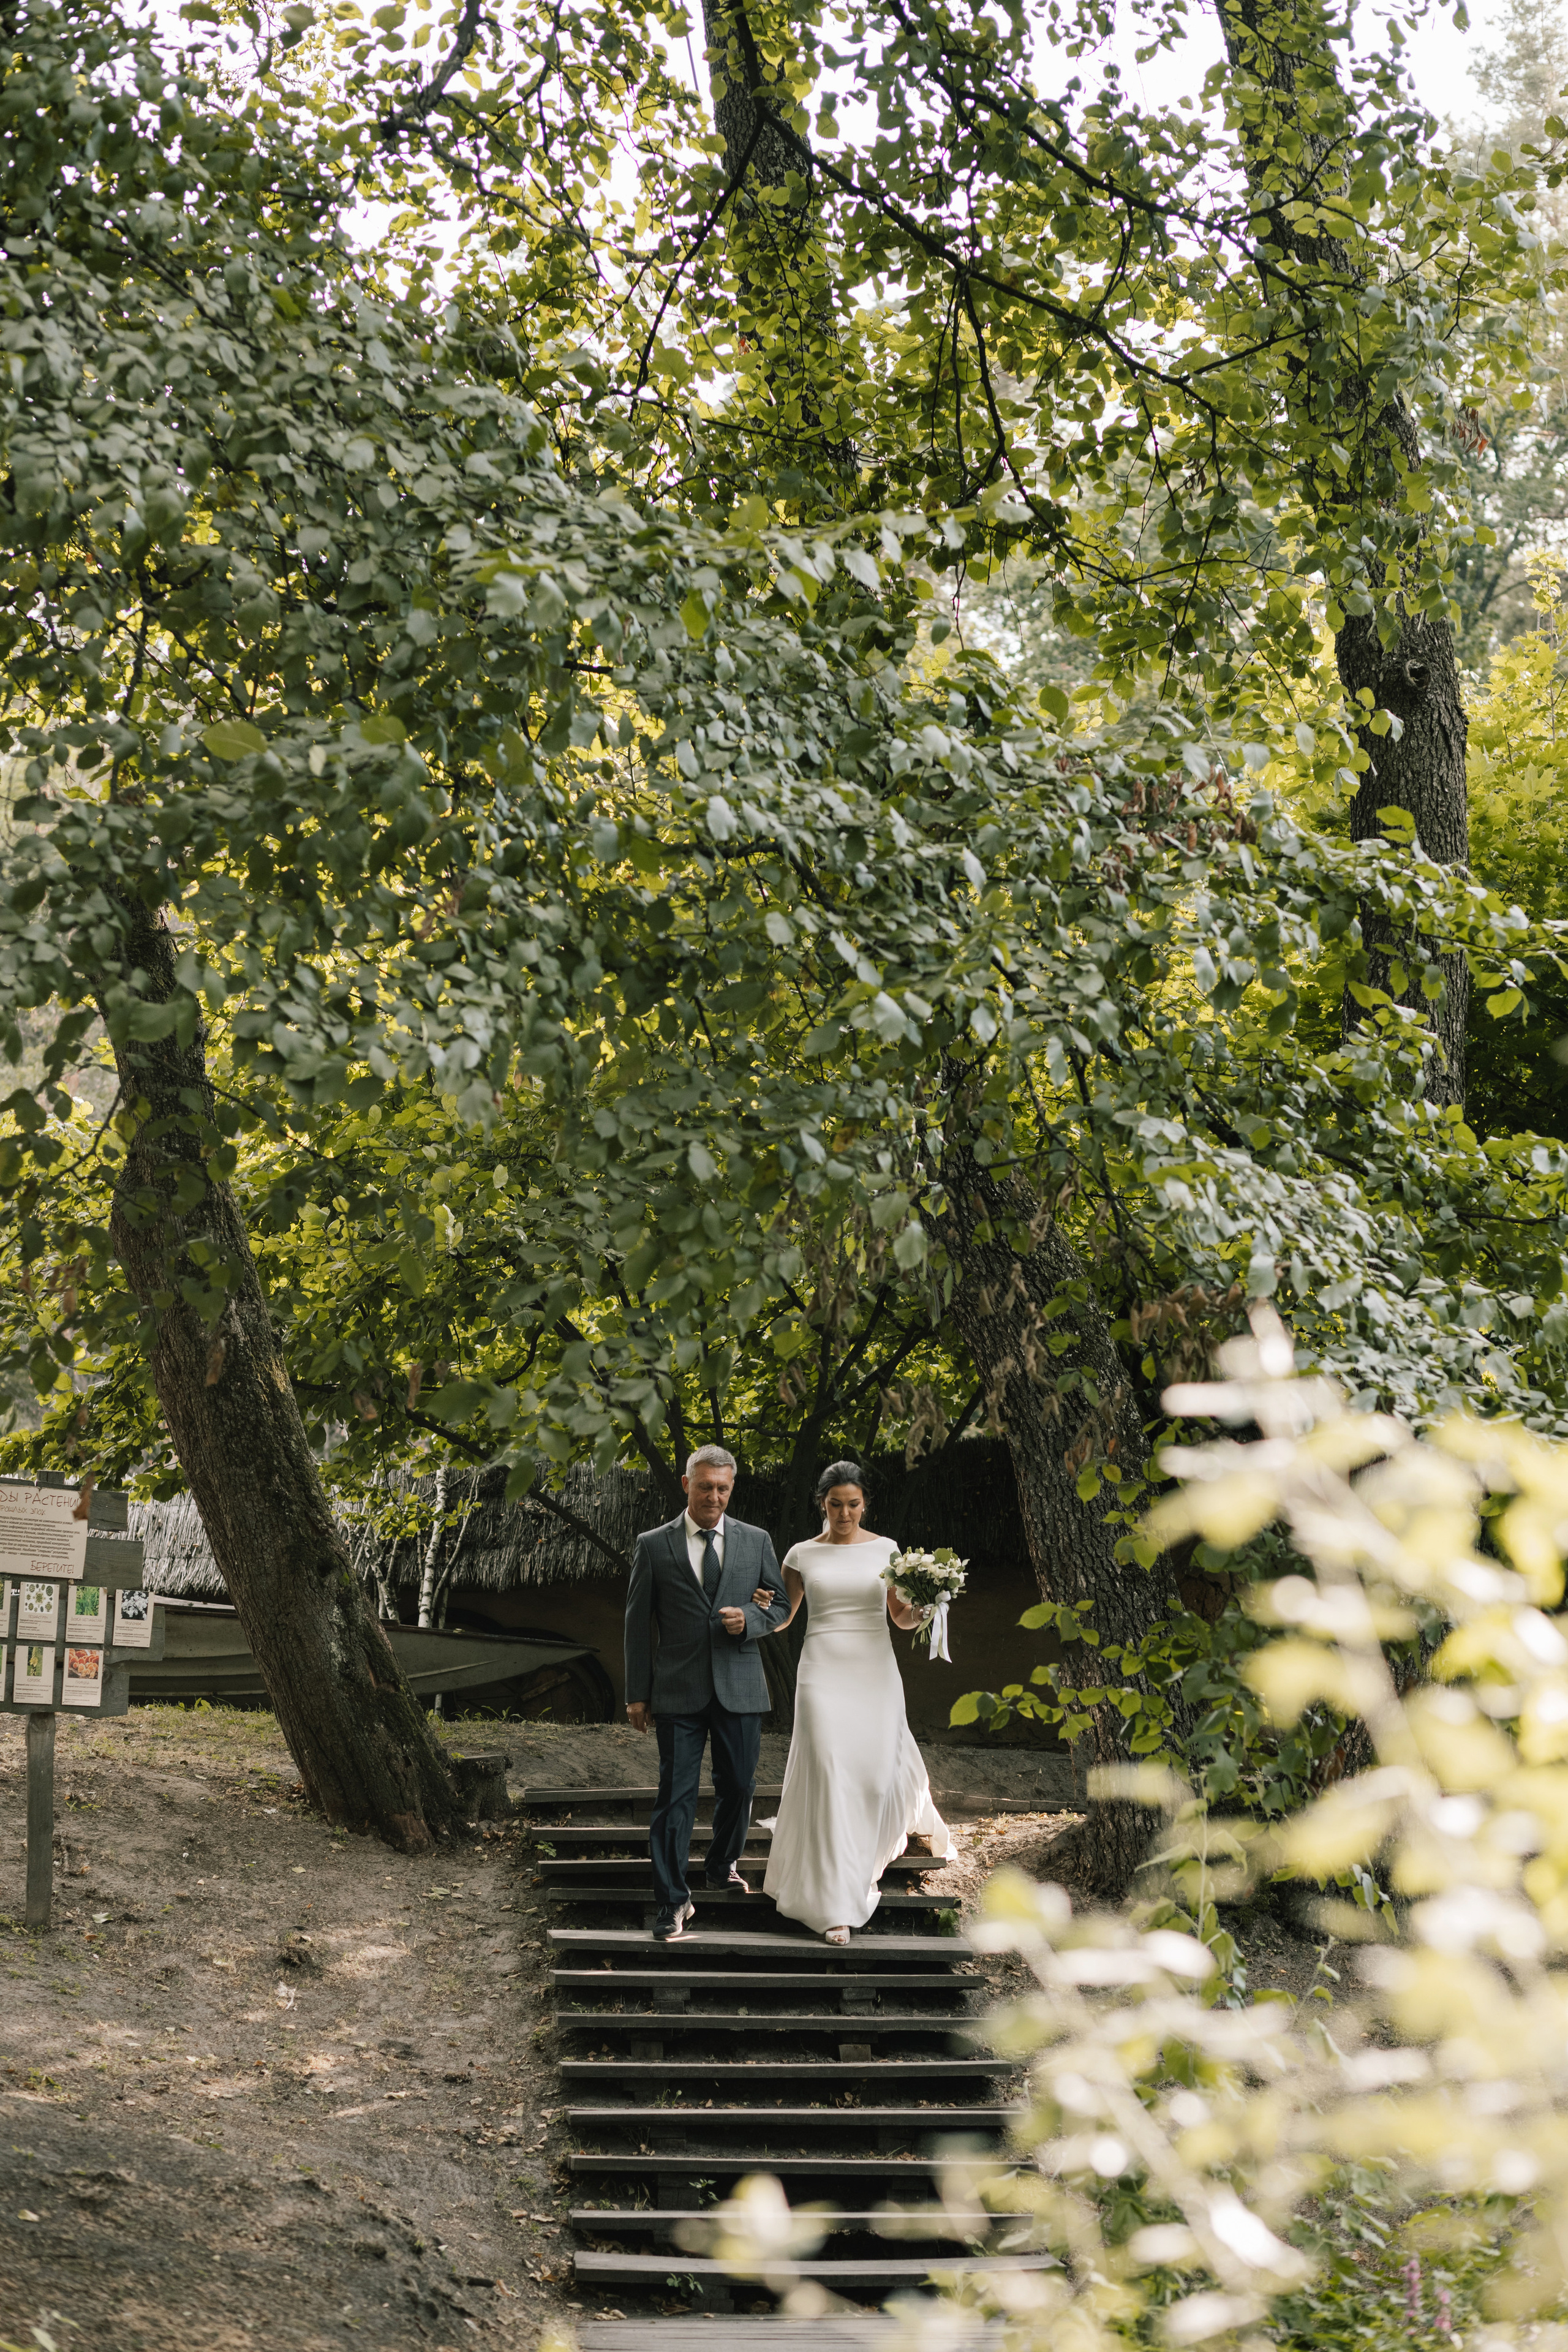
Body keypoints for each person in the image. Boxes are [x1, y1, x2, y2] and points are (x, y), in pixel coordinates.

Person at [753, 1460, 952, 1943]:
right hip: (821, 1670)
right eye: (836, 1504)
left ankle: (864, 1855)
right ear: (822, 1503)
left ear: (865, 1504)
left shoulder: (887, 1550)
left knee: (869, 1775)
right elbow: (784, 1618)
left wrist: (927, 1606)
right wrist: (760, 1608)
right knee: (827, 1767)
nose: (844, 1513)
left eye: (854, 1504)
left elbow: (900, 1619)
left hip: (874, 1670)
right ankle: (833, 1906)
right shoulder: (801, 1555)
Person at [624, 1445, 791, 1942]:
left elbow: (780, 1604)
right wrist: (638, 1693)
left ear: (731, 1487)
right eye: (705, 1487)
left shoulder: (756, 1540)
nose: (714, 1496)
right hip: (676, 1690)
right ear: (686, 1484)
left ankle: (722, 1865)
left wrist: (751, 1619)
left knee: (739, 1785)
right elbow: (637, 1623)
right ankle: (673, 1902)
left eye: (722, 1487)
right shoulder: (654, 1545)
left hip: (740, 1686)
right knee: (674, 1798)